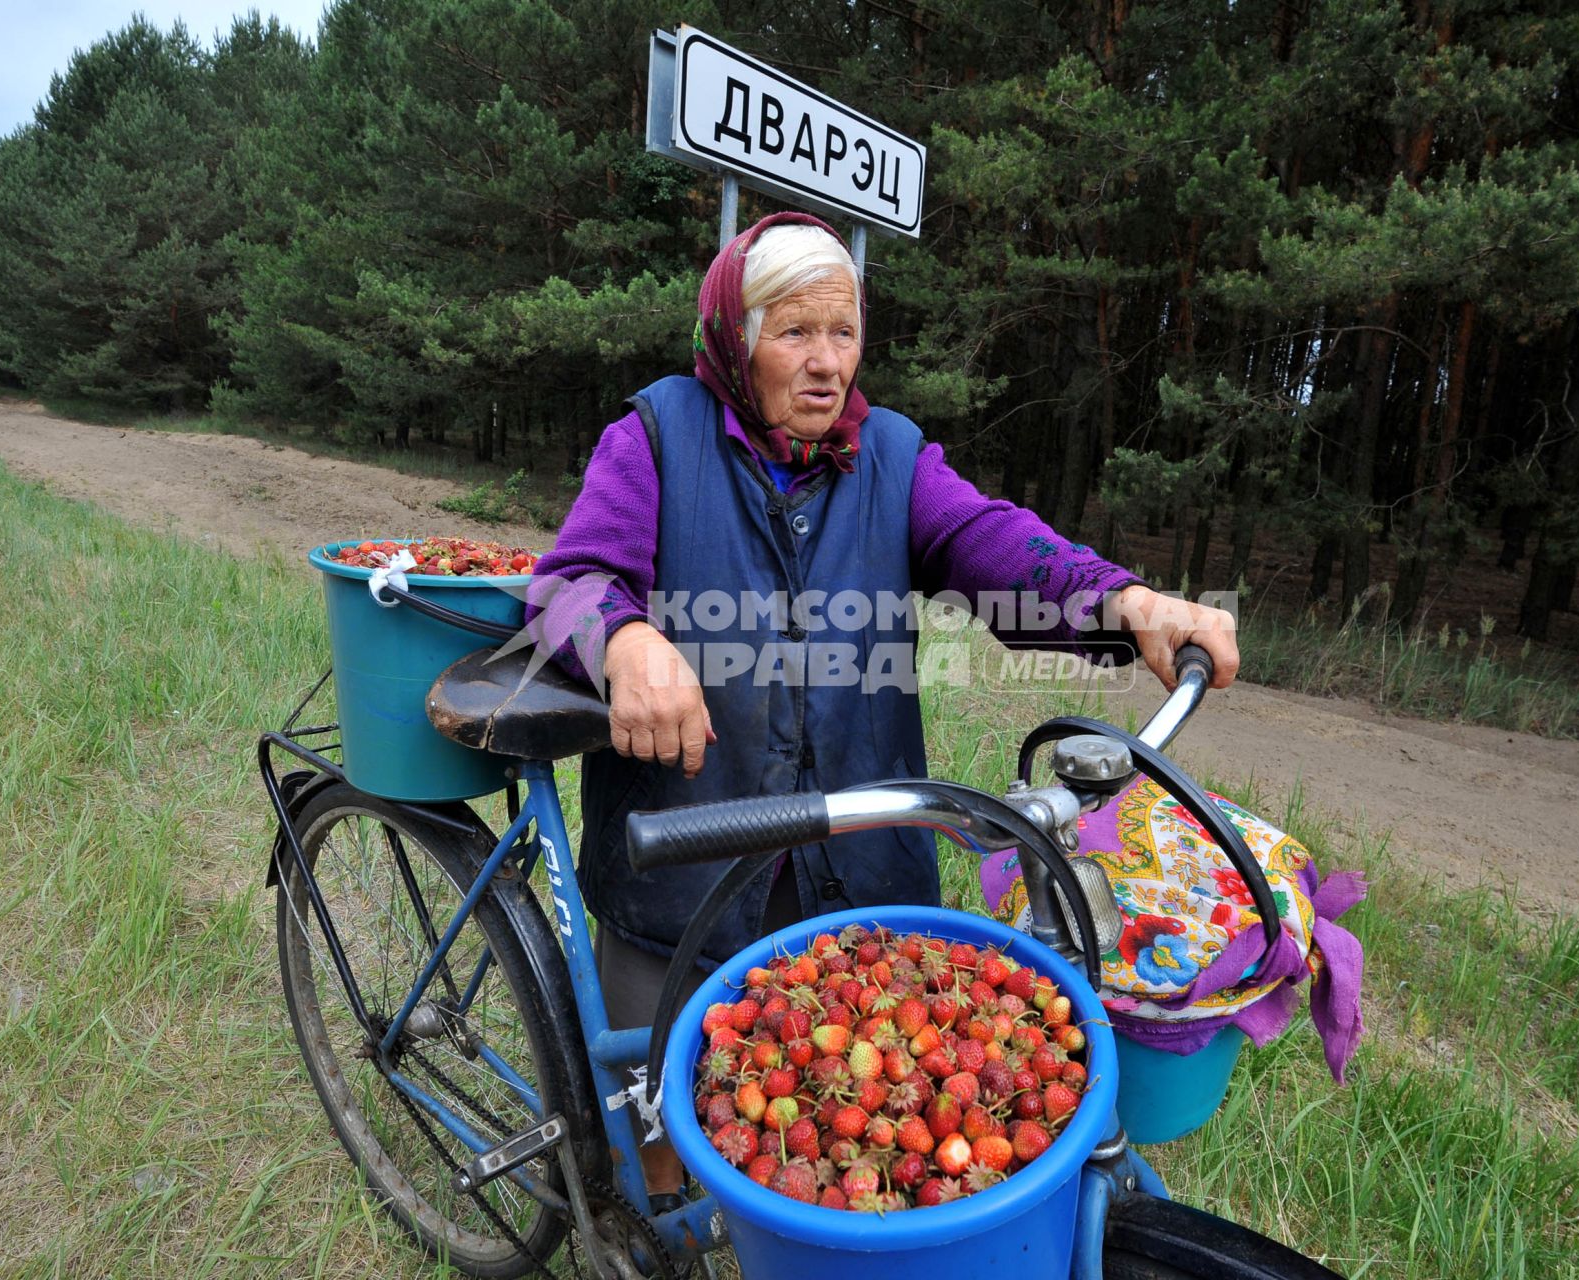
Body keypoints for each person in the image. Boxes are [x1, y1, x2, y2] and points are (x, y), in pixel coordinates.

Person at [527, 211, 1237, 1195]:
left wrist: (1127, 600)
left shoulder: (890, 454)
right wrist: (626, 638)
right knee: (668, 1137)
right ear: (737, 337)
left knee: (839, 1139)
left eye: (844, 333)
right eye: (794, 333)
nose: (827, 365)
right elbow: (564, 581)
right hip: (685, 864)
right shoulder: (654, 434)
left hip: (856, 864)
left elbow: (994, 543)